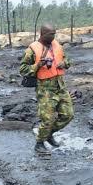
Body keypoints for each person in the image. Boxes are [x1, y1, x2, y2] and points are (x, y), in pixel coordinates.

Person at [19, 23, 73, 155]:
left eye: (54, 33)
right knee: (47, 118)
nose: (53, 36)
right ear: (42, 34)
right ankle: (39, 143)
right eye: (51, 34)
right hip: (45, 88)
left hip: (60, 85)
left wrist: (64, 64)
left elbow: (68, 61)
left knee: (68, 115)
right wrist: (38, 65)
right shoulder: (32, 49)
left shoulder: (57, 45)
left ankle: (48, 134)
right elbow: (23, 69)